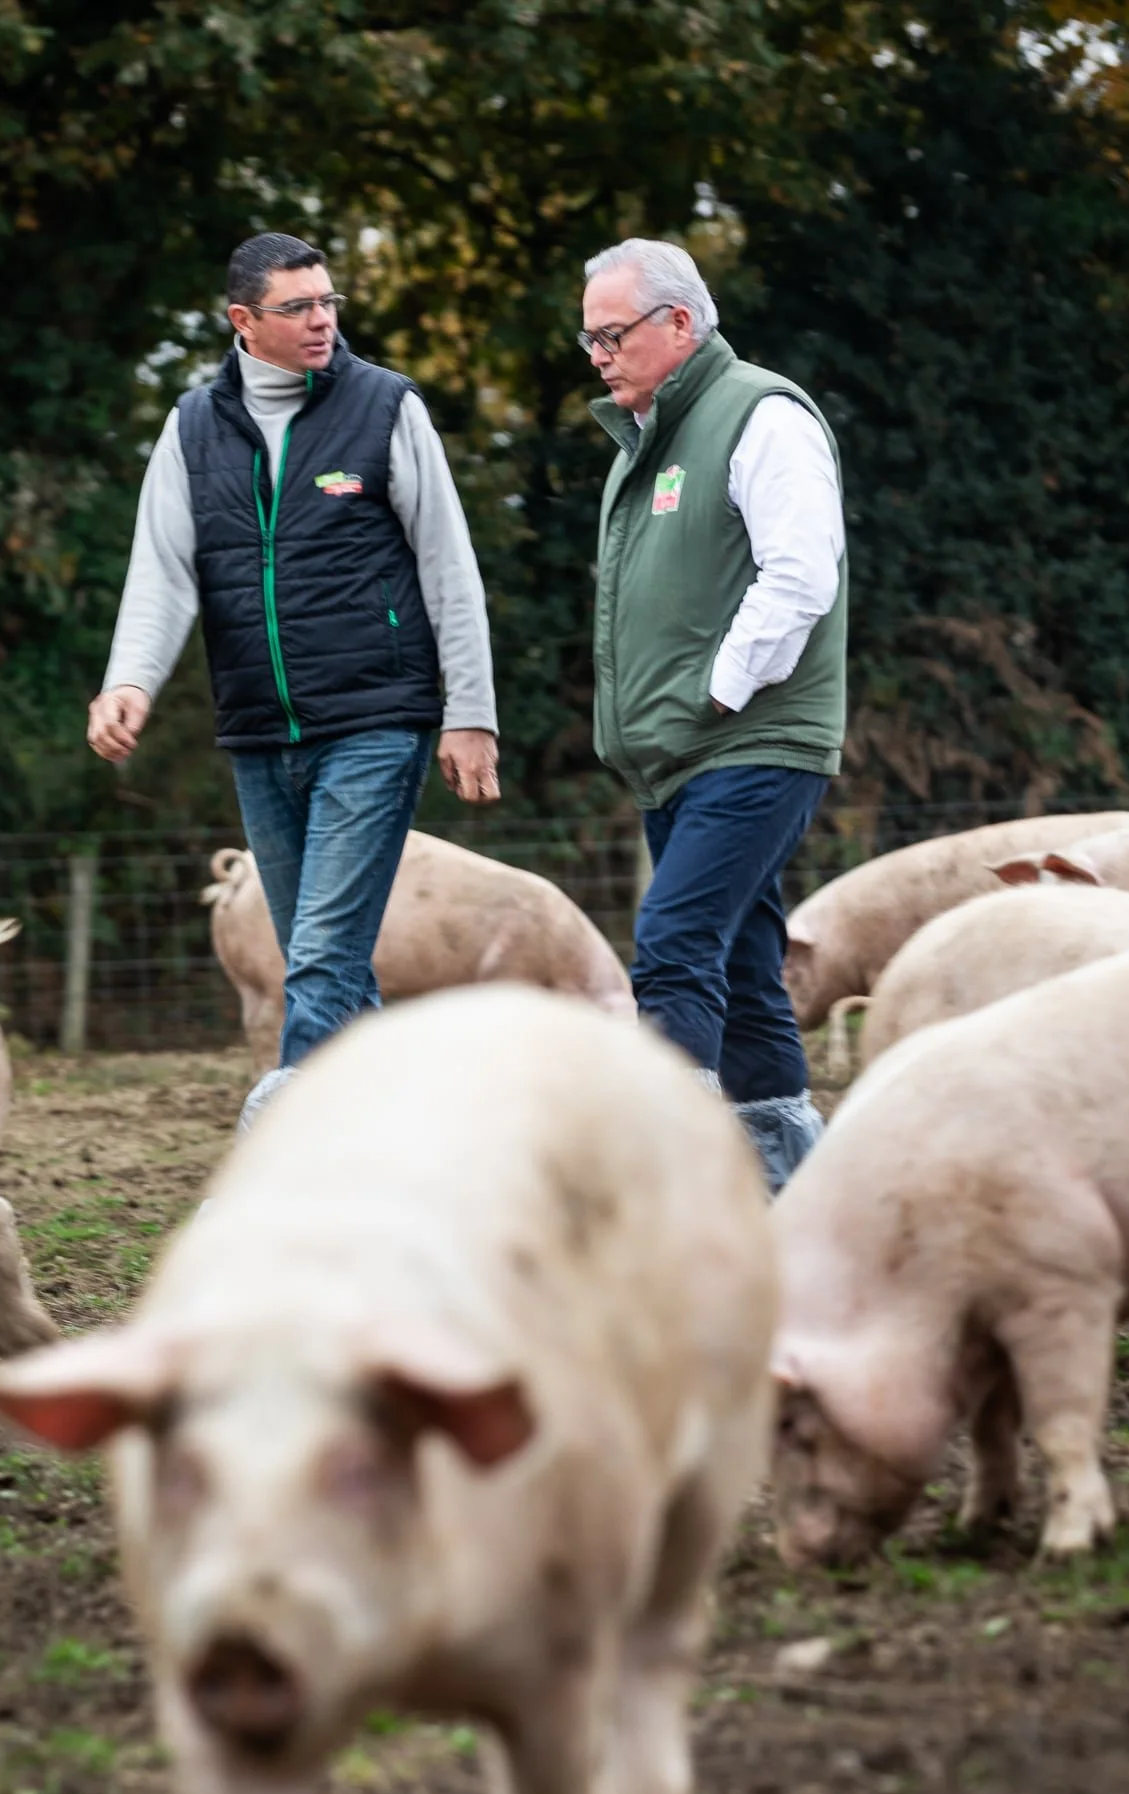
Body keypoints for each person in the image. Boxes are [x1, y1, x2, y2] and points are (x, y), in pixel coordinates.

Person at [88, 232, 499, 1123]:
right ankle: (402, 1157)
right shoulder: (193, 425)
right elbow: (162, 570)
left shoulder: (385, 407)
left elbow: (447, 565)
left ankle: (280, 1159)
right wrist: (130, 680)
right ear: (244, 320)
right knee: (329, 965)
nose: (322, 321)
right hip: (260, 734)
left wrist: (470, 712)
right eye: (298, 308)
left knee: (316, 956)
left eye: (328, 303)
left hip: (377, 722)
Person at [581, 236, 847, 1192]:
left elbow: (800, 573)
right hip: (679, 755)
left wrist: (718, 692)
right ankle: (792, 1195)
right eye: (590, 342)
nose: (600, 355)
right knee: (738, 965)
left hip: (753, 740)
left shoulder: (760, 415)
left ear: (679, 324)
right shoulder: (643, 445)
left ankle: (673, 1193)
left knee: (674, 941)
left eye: (611, 335)